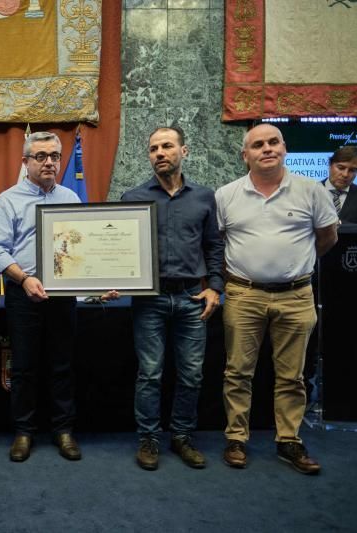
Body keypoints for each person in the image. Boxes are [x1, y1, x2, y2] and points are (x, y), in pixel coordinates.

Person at [216, 123, 338, 475]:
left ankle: (289, 440)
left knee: (293, 376)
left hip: (296, 296)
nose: (266, 149)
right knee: (237, 372)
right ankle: (236, 437)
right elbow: (219, 244)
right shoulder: (226, 195)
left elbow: (327, 237)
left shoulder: (311, 190)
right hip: (243, 294)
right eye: (258, 144)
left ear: (284, 148)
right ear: (245, 155)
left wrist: (294, 265)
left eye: (273, 142)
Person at [0, 131, 116, 462]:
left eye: (54, 156)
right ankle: (24, 432)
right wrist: (25, 279)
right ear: (25, 162)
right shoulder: (7, 200)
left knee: (62, 365)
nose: (49, 162)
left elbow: (82, 253)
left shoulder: (71, 199)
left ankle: (63, 430)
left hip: (63, 298)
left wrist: (99, 284)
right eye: (41, 156)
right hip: (23, 295)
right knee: (24, 367)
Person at [121, 126, 224, 471]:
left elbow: (214, 246)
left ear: (185, 151)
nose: (159, 153)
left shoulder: (204, 197)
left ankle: (182, 436)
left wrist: (216, 286)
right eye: (153, 149)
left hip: (193, 298)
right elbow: (121, 252)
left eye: (167, 146)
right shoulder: (132, 198)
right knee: (150, 373)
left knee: (192, 374)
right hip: (149, 300)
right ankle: (148, 438)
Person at [322, 146, 357, 224]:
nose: (345, 174)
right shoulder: (308, 192)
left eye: (352, 170)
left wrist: (338, 223)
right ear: (330, 165)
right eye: (341, 168)